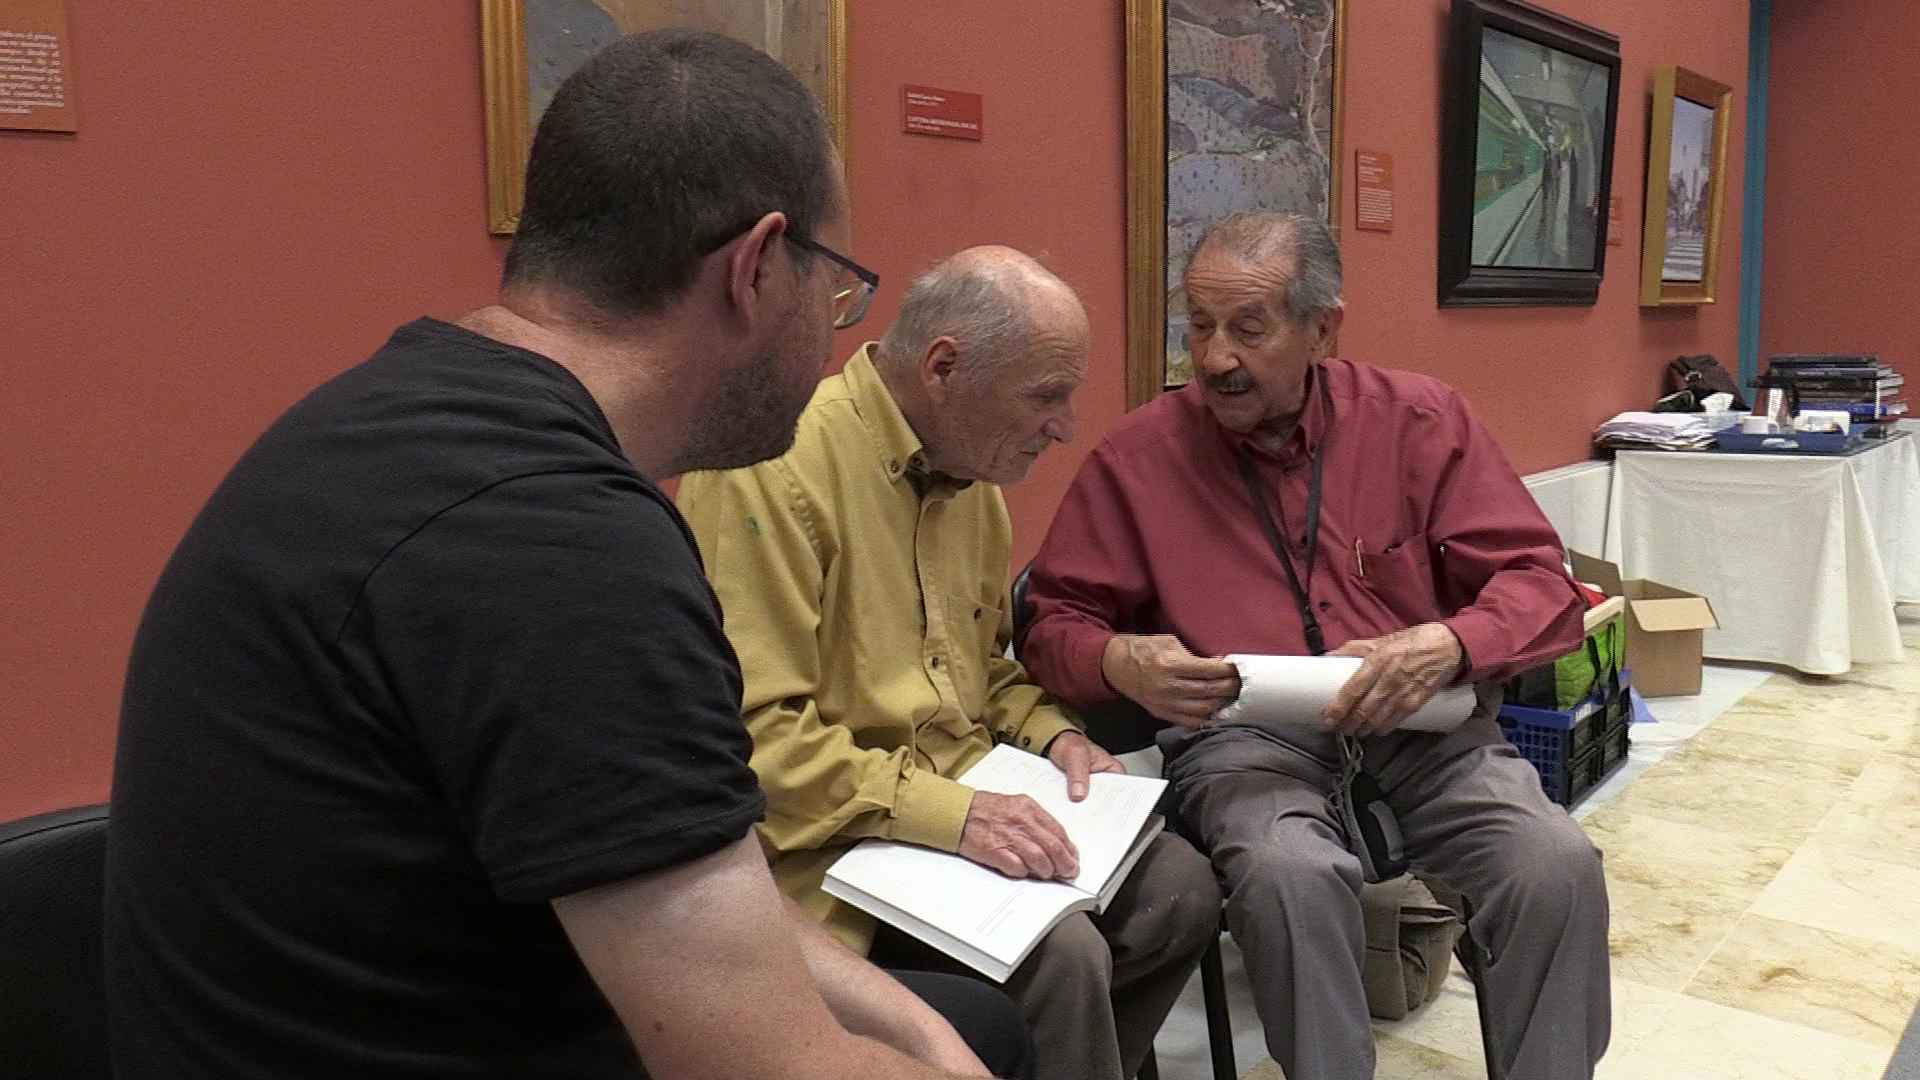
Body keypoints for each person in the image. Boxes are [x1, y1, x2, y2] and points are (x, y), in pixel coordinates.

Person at [104, 30, 1031, 1080]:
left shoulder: (389, 415)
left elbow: (676, 872)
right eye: (837, 289)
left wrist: (910, 1026)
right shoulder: (563, 547)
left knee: (962, 1022)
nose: (835, 332)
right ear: (757, 268)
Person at [1019, 211, 1611, 1080]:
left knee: (1554, 866)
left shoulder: (1419, 420)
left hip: (1424, 728)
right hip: (1244, 745)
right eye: (1200, 325)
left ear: (1323, 329)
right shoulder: (1138, 457)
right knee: (1289, 875)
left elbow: (1542, 586)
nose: (1215, 357)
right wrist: (1117, 661)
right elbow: (1051, 623)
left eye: (1248, 329)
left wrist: (1449, 643)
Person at [678, 247, 1222, 1080]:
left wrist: (1055, 736)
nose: (1065, 426)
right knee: (1064, 957)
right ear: (943, 369)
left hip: (952, 802)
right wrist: (956, 817)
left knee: (1181, 891)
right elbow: (755, 741)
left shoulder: (974, 483)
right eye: (1046, 395)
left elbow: (980, 672)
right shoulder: (772, 472)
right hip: (827, 845)